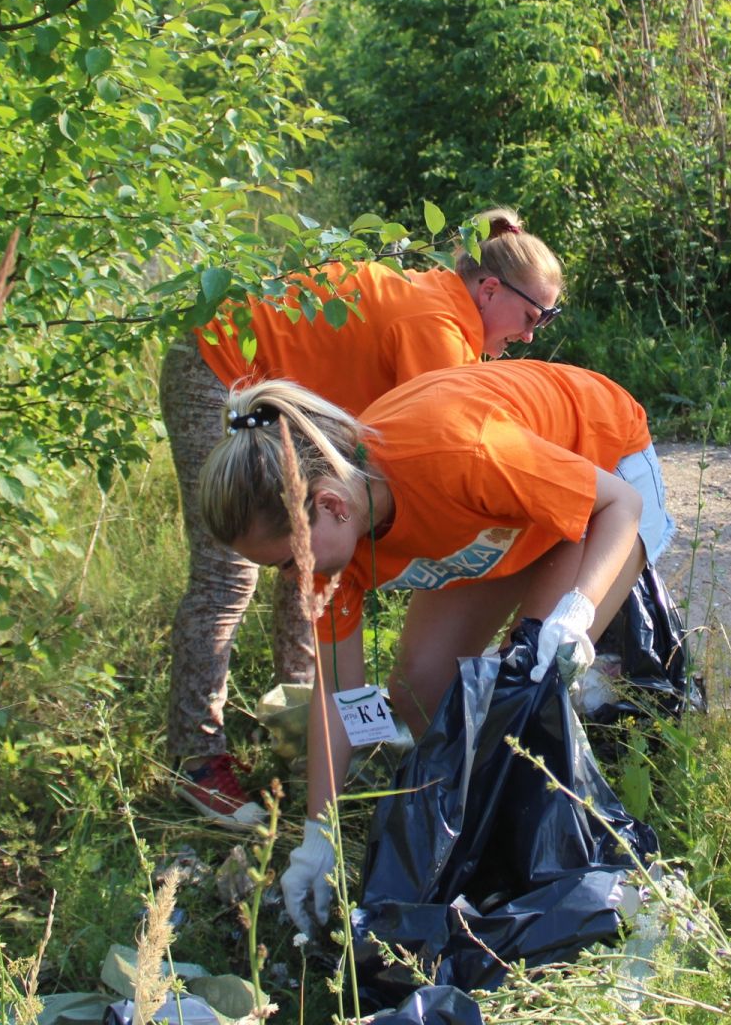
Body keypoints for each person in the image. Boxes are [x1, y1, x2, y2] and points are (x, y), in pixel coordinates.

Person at [192, 360, 674, 934]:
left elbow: (620, 504)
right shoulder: (326, 545)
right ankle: (482, 829)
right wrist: (319, 837)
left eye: (287, 561)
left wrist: (576, 614)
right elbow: (338, 693)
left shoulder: (461, 453)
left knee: (524, 680)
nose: (293, 578)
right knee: (420, 687)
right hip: (504, 509)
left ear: (331, 505)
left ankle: (581, 863)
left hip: (604, 468)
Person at [158, 211, 565, 820]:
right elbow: (437, 466)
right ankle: (196, 758)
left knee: (313, 551)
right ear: (489, 290)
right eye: (533, 317)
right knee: (230, 570)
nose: (533, 335)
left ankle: (301, 715)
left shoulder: (444, 310)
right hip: (219, 363)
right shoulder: (438, 328)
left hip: (269, 382)